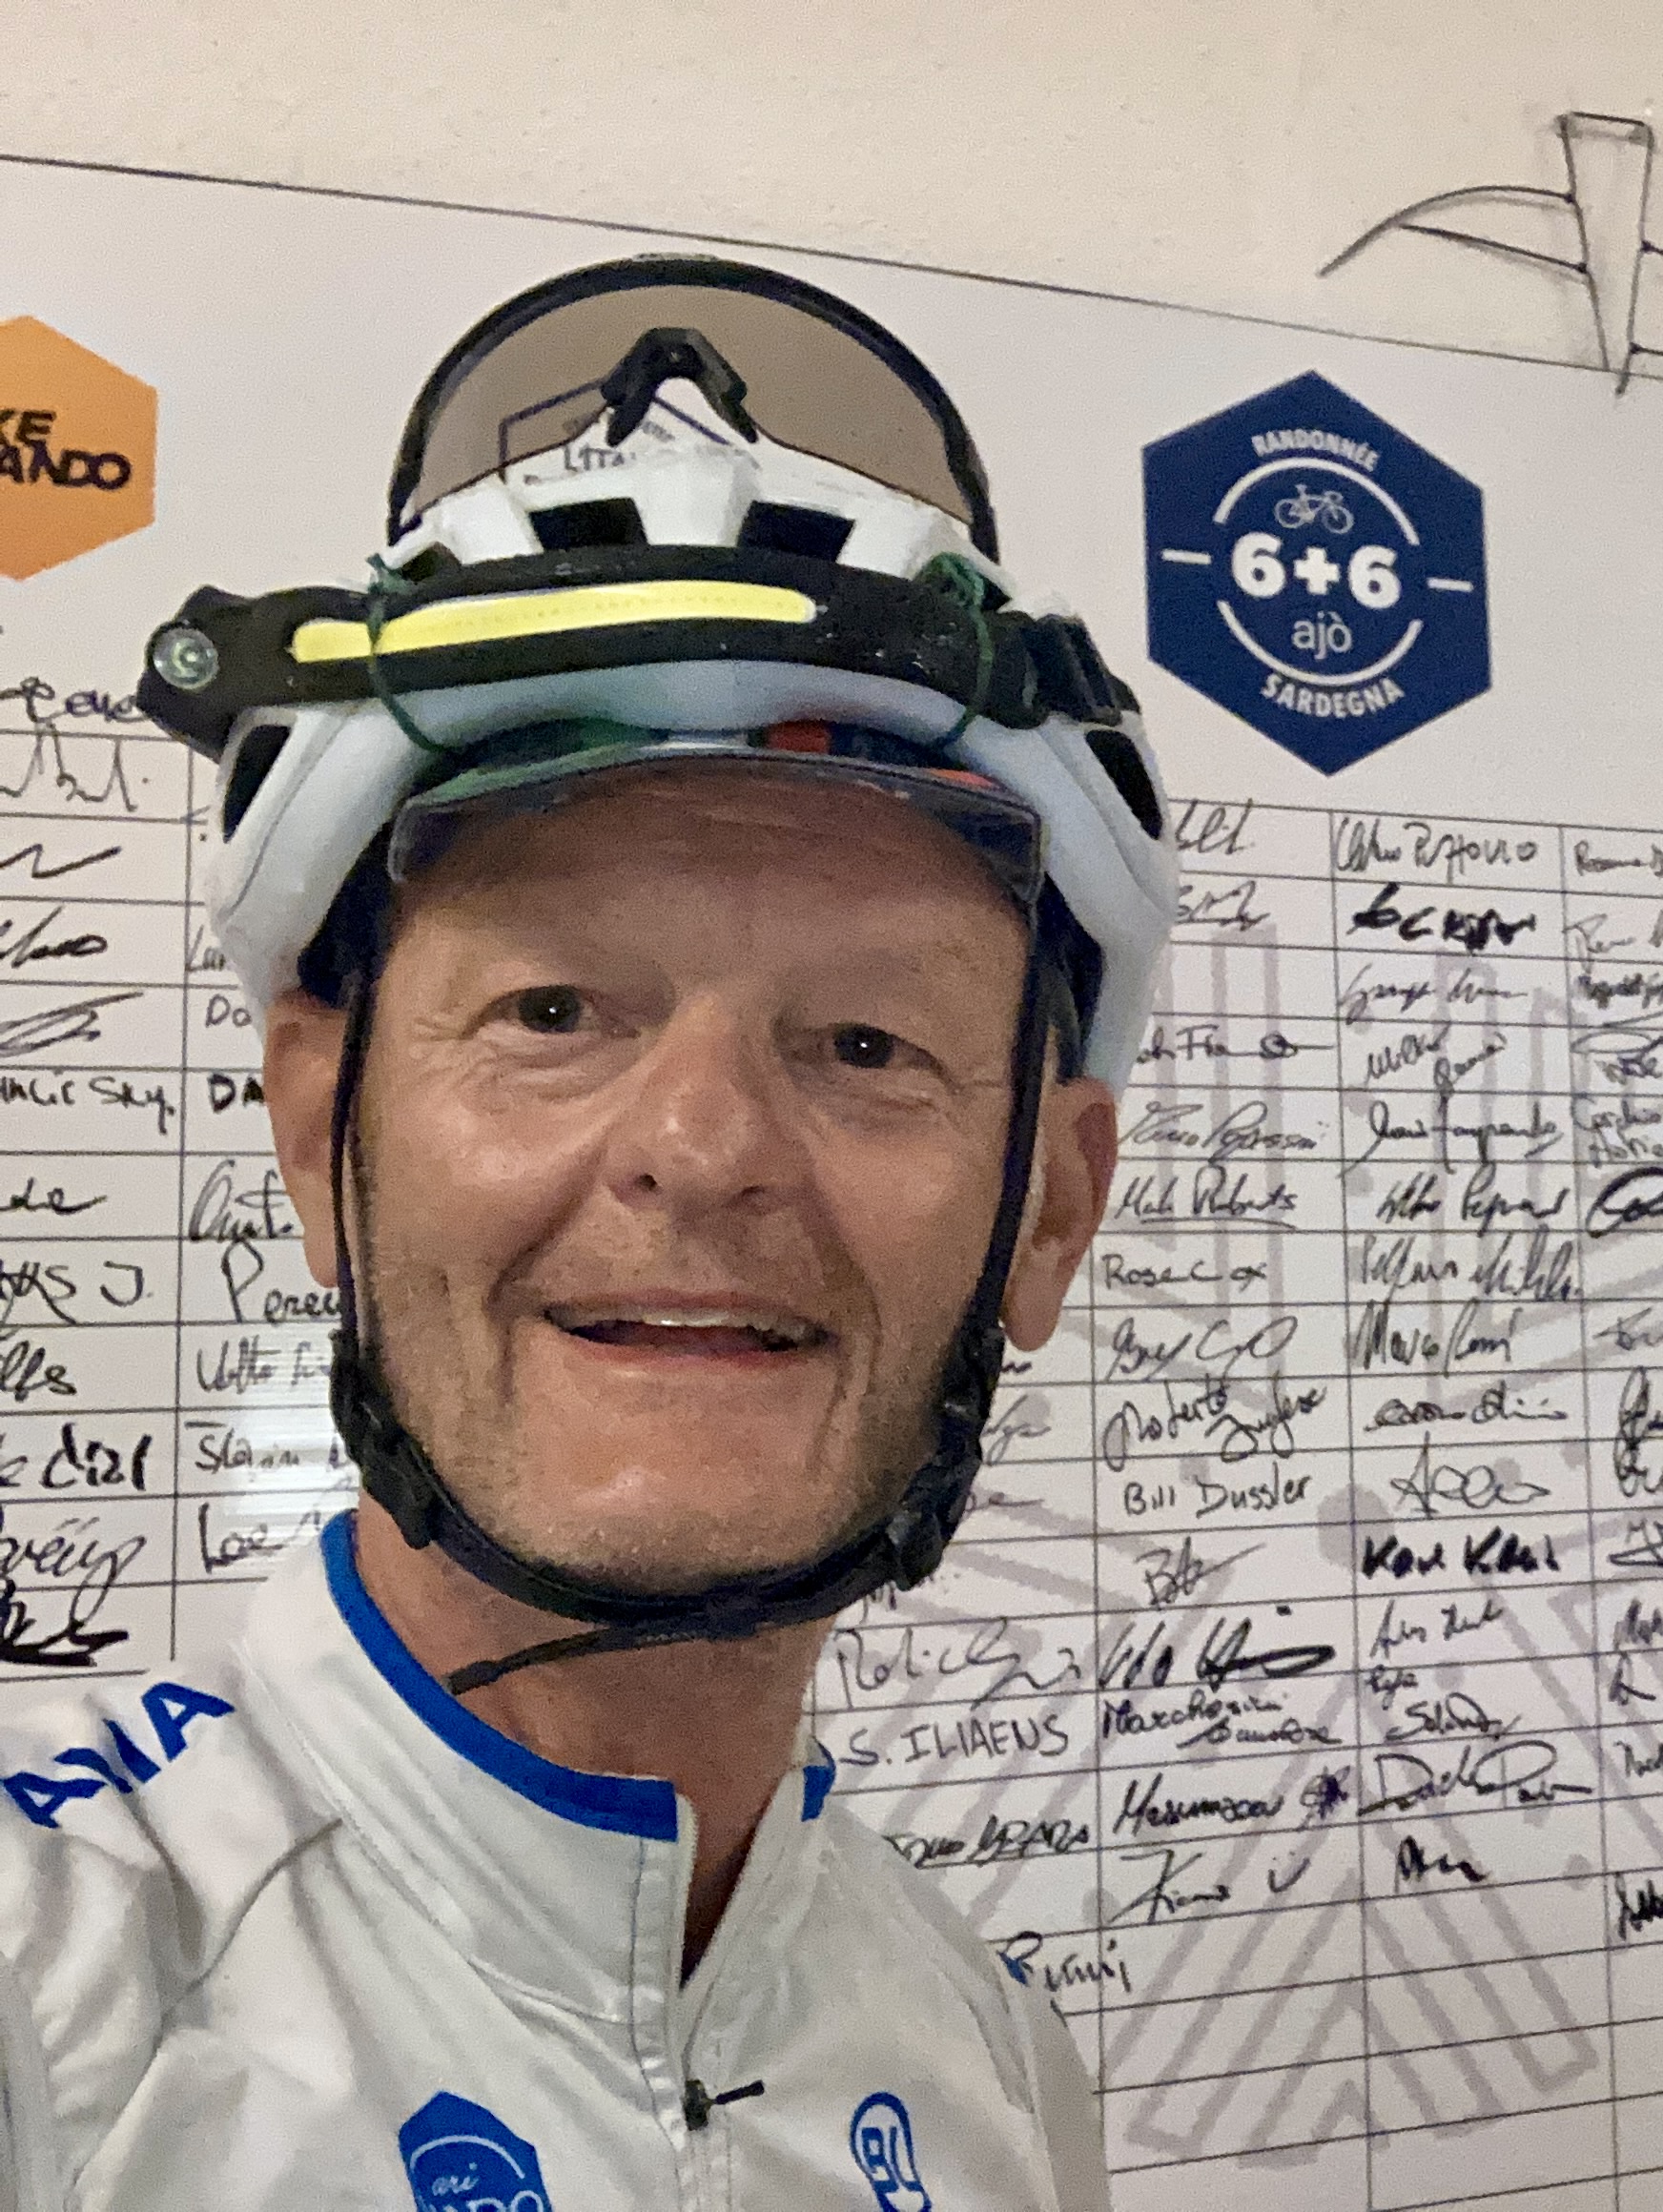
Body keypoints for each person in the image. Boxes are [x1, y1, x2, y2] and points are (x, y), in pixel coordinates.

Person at [0, 257, 1177, 2210]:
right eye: (551, 1011)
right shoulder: (47, 1981)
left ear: (1046, 1210)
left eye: (866, 1042)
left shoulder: (991, 2064)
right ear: (319, 1134)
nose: (703, 1152)